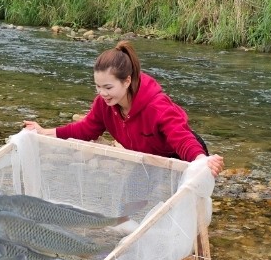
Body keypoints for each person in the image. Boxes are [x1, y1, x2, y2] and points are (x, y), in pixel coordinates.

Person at [24, 40, 224, 177]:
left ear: (127, 81)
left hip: (180, 157)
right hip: (147, 160)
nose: (102, 93)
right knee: (128, 208)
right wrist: (44, 132)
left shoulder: (157, 106)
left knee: (180, 209)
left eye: (108, 87)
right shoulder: (104, 105)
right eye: (98, 87)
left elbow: (182, 138)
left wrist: (200, 160)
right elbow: (85, 129)